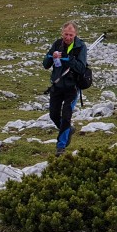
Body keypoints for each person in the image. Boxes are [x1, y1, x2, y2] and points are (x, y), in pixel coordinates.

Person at [42, 21, 88, 156]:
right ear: (62, 33)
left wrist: (68, 58)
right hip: (57, 86)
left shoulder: (80, 46)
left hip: (72, 88)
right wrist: (51, 56)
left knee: (66, 116)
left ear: (75, 34)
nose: (68, 37)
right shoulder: (57, 44)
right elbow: (45, 64)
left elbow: (81, 68)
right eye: (66, 34)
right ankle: (69, 129)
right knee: (53, 115)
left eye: (71, 35)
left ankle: (60, 147)